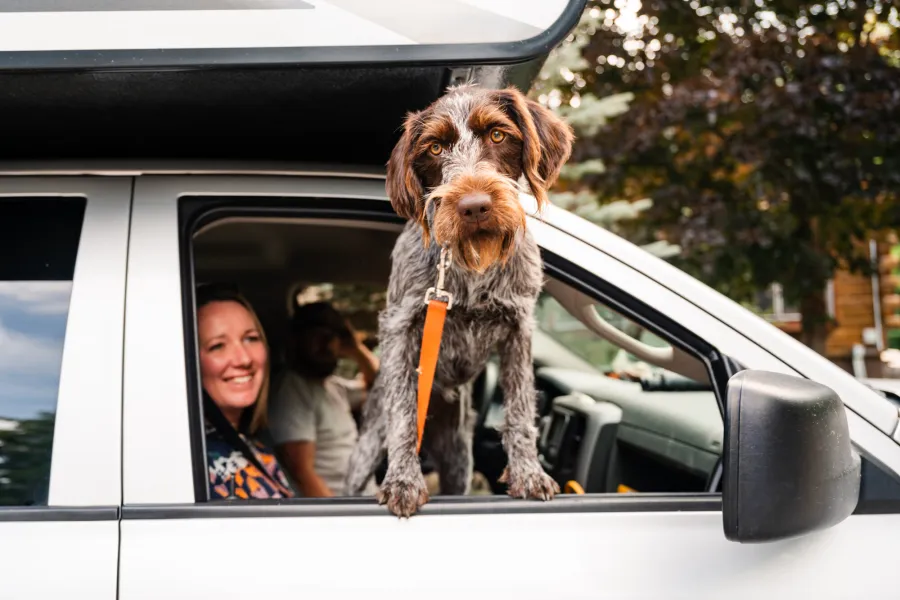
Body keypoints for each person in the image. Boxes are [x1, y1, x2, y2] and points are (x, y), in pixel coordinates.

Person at [268, 301, 380, 497]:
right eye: (318, 336)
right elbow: (301, 472)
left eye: (333, 337)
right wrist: (339, 519)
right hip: (344, 510)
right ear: (298, 340)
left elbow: (380, 385)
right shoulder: (292, 390)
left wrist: (356, 349)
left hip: (367, 499)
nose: (327, 344)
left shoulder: (333, 386)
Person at [196, 283, 295, 500]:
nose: (244, 359)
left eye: (251, 338)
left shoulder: (255, 444)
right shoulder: (194, 465)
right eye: (217, 346)